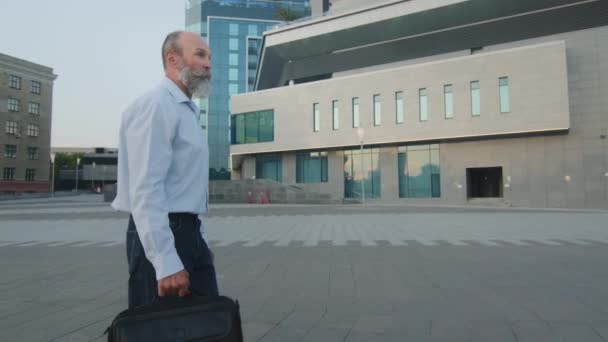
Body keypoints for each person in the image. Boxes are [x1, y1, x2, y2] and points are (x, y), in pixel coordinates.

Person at [111, 31, 218, 309]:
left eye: (209, 57)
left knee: (206, 324)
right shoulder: (156, 106)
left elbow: (185, 185)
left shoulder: (186, 111)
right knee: (160, 328)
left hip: (188, 231)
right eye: (199, 54)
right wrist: (166, 261)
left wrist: (200, 240)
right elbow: (146, 188)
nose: (208, 64)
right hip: (164, 234)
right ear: (172, 58)